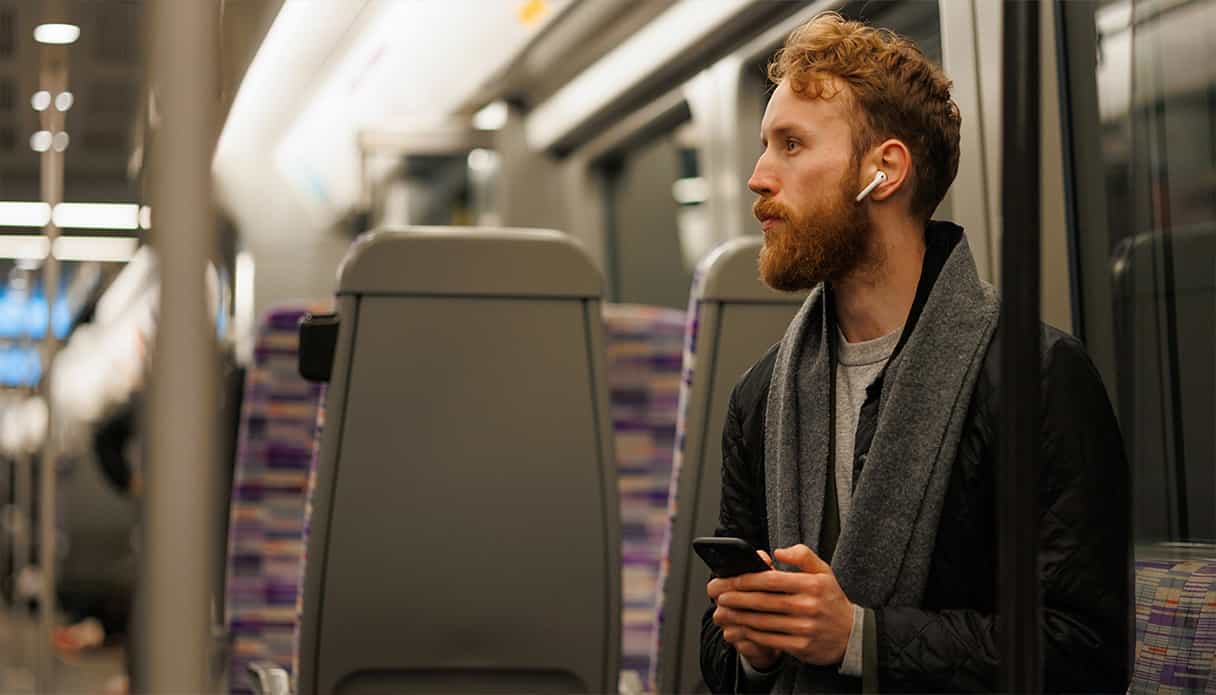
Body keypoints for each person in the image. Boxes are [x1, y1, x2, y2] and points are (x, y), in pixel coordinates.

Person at [700, 12, 1130, 693]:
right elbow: (720, 648)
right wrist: (754, 646)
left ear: (884, 170)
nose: (758, 177)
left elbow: (1082, 651)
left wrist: (860, 639)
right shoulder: (761, 396)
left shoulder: (1035, 378)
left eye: (790, 144)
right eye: (763, 146)